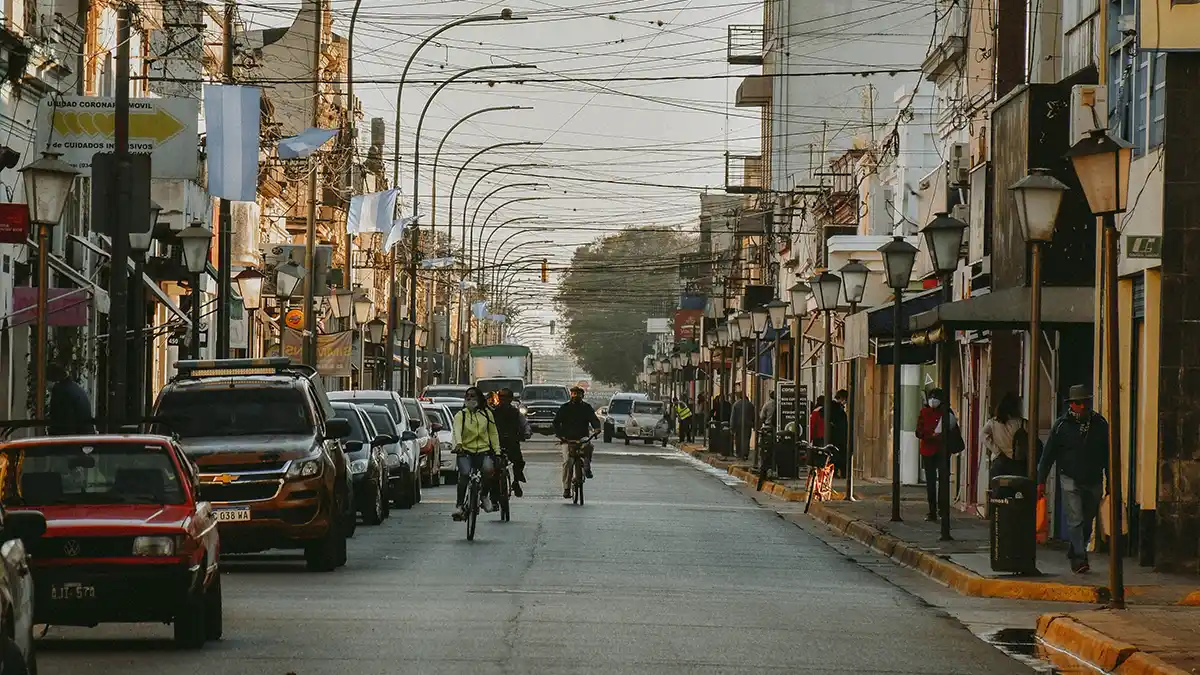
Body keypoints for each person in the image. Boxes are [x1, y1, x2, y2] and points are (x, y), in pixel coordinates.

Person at [1038, 384, 1109, 574]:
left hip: (1093, 478)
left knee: (1088, 520)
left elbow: (1108, 454)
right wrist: (1041, 480)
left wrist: (1110, 480)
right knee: (1075, 519)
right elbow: (1048, 455)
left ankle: (1074, 547)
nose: (1083, 406)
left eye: (1086, 402)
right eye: (1079, 403)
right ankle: (1080, 557)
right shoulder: (1061, 426)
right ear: (1072, 405)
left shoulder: (1100, 424)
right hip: (1070, 477)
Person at [450, 387, 501, 521]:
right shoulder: (462, 415)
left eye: (473, 396)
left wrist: (497, 451)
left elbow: (493, 433)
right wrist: (459, 445)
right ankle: (460, 505)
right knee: (465, 475)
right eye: (468, 396)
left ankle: (484, 496)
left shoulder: (487, 414)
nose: (470, 399)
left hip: (483, 451)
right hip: (465, 451)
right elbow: (456, 430)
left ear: (479, 398)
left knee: (489, 471)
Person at [915, 388, 957, 522]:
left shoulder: (947, 413)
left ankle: (943, 510)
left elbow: (953, 431)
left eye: (935, 397)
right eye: (931, 397)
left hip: (942, 451)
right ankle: (932, 511)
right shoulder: (924, 412)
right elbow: (918, 431)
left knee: (943, 482)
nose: (933, 400)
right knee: (931, 482)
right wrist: (929, 435)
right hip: (928, 450)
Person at [553, 386, 601, 498]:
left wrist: (597, 429)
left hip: (582, 437)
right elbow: (556, 423)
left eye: (578, 394)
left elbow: (594, 419)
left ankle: (587, 467)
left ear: (582, 396)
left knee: (588, 447)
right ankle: (566, 488)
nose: (576, 396)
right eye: (574, 394)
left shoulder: (586, 408)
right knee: (567, 462)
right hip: (567, 440)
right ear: (571, 395)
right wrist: (560, 436)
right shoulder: (564, 408)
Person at [490, 388, 528, 498]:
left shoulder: (515, 412)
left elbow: (524, 425)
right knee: (493, 468)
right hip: (496, 443)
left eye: (507, 398)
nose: (504, 400)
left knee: (519, 462)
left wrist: (526, 433)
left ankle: (516, 482)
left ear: (511, 399)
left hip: (512, 442)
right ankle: (494, 494)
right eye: (502, 398)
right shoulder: (493, 412)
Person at [983, 392, 1027, 477]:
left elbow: (983, 436)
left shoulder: (992, 423)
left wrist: (997, 451)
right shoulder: (1022, 423)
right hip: (1018, 464)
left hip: (999, 464)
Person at [47, 363, 95, 436]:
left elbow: (59, 424)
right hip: (85, 437)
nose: (46, 387)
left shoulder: (60, 391)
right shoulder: (75, 388)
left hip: (73, 440)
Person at [827, 390, 849, 478]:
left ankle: (836, 473)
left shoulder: (833, 408)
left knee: (836, 456)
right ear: (842, 398)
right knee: (840, 457)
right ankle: (840, 473)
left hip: (835, 438)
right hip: (838, 438)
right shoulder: (837, 409)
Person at [730, 391, 756, 460]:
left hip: (738, 425)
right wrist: (754, 424)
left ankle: (739, 453)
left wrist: (732, 427)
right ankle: (745, 453)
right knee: (746, 439)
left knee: (738, 439)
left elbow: (733, 416)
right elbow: (754, 415)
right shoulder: (750, 405)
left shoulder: (736, 404)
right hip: (748, 424)